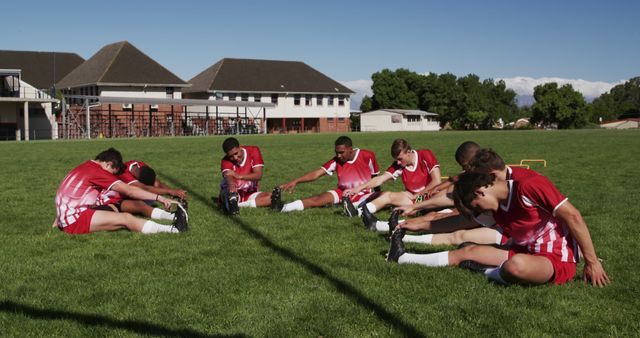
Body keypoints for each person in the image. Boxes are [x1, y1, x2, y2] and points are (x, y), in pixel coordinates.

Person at [386, 171, 611, 287]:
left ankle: (488, 272)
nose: (478, 211)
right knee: (467, 251)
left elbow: (573, 215)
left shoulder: (529, 187)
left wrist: (592, 262)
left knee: (516, 266)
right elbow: (455, 223)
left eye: (475, 206)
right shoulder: (494, 207)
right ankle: (402, 258)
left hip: (558, 259)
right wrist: (414, 226)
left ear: (480, 192)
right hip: (525, 251)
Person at [394, 148, 541, 247]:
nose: (466, 171)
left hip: (514, 233)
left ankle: (401, 236)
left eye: (466, 166)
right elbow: (451, 188)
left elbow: (560, 210)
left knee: (459, 234)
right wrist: (415, 206)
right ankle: (394, 229)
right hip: (500, 223)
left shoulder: (523, 183)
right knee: (443, 217)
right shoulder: (481, 175)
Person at [54, 148, 187, 235]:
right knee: (126, 219)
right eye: (112, 172)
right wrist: (161, 198)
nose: (111, 176)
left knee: (123, 217)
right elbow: (129, 190)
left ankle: (174, 218)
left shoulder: (85, 166)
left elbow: (66, 196)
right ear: (108, 164)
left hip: (68, 217)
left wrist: (59, 220)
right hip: (74, 220)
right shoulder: (97, 172)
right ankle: (174, 230)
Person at [362, 141, 480, 233]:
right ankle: (369, 217)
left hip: (483, 218)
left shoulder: (424, 154)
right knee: (435, 216)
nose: (464, 169)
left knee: (445, 225)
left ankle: (386, 227)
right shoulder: (479, 169)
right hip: (418, 198)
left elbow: (439, 183)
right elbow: (456, 177)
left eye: (464, 165)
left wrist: (417, 203)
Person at [273, 136, 380, 213]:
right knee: (318, 199)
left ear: (350, 150)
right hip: (342, 192)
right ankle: (283, 208)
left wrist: (378, 194)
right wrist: (295, 181)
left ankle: (355, 209)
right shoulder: (336, 161)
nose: (338, 155)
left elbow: (376, 177)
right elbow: (316, 173)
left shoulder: (367, 156)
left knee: (379, 199)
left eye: (341, 152)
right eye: (336, 152)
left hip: (363, 193)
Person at [342, 138, 441, 217]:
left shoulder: (425, 154)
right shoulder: (399, 165)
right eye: (396, 159)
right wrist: (358, 188)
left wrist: (418, 194)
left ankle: (418, 210)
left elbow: (437, 181)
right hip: (411, 197)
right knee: (387, 195)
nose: (398, 162)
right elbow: (380, 179)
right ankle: (358, 212)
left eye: (400, 159)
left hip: (430, 195)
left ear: (409, 152)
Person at [96, 159, 187, 221]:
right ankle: (174, 217)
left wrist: (173, 192)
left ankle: (177, 205)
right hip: (116, 196)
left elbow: (156, 182)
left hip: (131, 192)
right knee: (140, 205)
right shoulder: (124, 174)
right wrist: (168, 192)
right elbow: (144, 188)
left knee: (155, 185)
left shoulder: (140, 165)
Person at [219, 137, 275, 214]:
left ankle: (239, 206)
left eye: (236, 153)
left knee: (273, 197)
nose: (235, 158)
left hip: (250, 193)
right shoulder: (225, 161)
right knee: (231, 194)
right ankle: (232, 203)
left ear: (240, 147)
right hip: (233, 193)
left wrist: (239, 176)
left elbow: (258, 175)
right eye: (231, 156)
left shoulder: (253, 151)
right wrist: (232, 187)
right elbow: (229, 178)